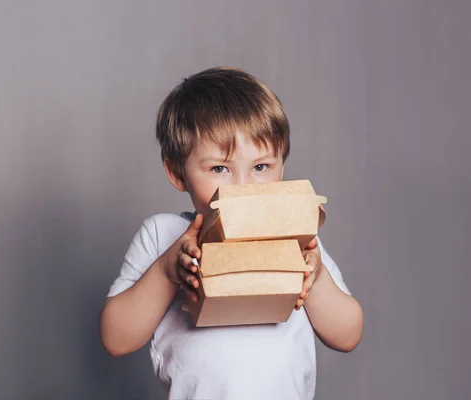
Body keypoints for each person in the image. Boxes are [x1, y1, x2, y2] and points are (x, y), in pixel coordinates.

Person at [99, 66, 364, 400]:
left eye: (260, 167)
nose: (242, 187)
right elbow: (116, 338)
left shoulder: (296, 239)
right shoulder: (163, 235)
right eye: (220, 168)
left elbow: (348, 334)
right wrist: (167, 271)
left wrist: (317, 278)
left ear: (282, 167)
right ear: (177, 172)